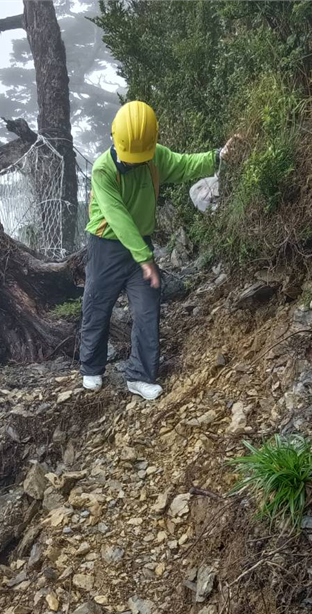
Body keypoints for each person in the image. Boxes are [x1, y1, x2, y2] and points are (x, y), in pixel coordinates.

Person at [80, 100, 236, 400]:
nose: (133, 163)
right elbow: (118, 217)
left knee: (147, 308)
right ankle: (91, 368)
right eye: (130, 158)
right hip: (106, 245)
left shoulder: (155, 158)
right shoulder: (103, 170)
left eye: (139, 158)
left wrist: (218, 156)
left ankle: (139, 375)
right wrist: (146, 259)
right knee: (97, 304)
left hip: (141, 245)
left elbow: (185, 164)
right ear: (114, 137)